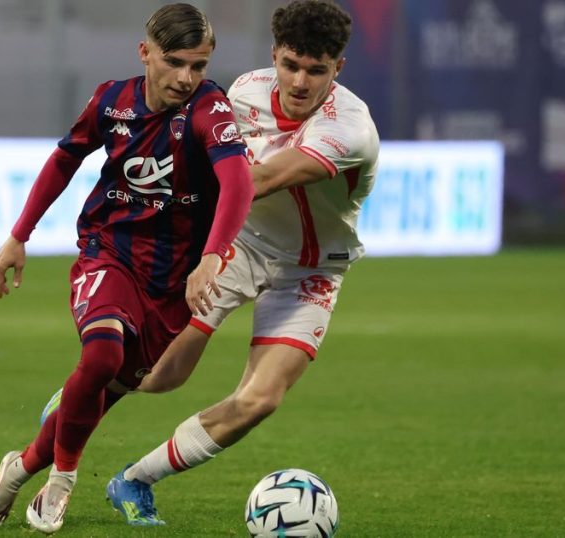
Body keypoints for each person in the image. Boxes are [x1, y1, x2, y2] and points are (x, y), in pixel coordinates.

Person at [0, 3, 253, 534]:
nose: (186, 78)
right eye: (174, 62)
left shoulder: (210, 110)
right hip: (109, 251)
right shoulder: (111, 101)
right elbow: (65, 158)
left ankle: (18, 470)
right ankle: (62, 481)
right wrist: (19, 235)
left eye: (199, 65)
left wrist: (212, 255)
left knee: (105, 391)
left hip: (171, 282)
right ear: (145, 53)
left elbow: (239, 183)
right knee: (101, 355)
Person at [104, 0, 380, 526]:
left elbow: (264, 178)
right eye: (290, 65)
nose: (300, 81)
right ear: (274, 55)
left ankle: (135, 479)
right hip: (241, 245)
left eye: (316, 70)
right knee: (159, 374)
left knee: (260, 399)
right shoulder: (245, 91)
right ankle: (78, 400)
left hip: (311, 270)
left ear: (338, 68)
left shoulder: (350, 128)